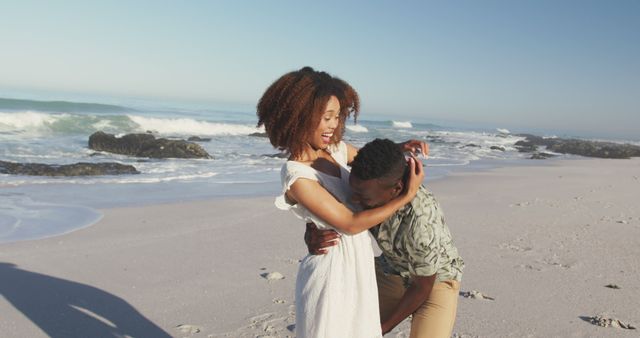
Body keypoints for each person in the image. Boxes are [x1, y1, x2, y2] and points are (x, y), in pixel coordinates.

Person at [257, 67, 427, 338]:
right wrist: (406, 195)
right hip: (331, 273)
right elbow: (349, 223)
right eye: (326, 117)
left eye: (338, 116)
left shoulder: (336, 150)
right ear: (298, 116)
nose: (334, 125)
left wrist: (397, 149)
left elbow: (371, 165)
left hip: (358, 265)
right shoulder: (297, 175)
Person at [306, 138, 464, 338]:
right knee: (345, 326)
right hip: (392, 269)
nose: (354, 200)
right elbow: (325, 210)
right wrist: (311, 232)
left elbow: (422, 286)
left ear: (396, 190)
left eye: (363, 198)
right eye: (354, 192)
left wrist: (381, 328)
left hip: (435, 281)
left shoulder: (420, 220)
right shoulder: (365, 187)